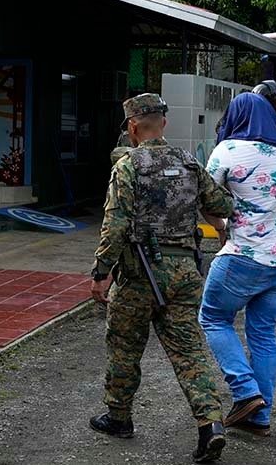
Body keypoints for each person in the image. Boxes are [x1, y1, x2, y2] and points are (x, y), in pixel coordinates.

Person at [89, 93, 233, 464]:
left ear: (133, 127)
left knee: (124, 347)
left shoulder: (128, 166)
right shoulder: (189, 163)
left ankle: (119, 418)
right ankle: (211, 425)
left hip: (139, 275)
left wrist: (101, 272)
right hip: (184, 272)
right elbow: (220, 205)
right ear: (163, 124)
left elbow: (115, 225)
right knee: (189, 351)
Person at [198, 93, 276, 438]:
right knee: (262, 333)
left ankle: (245, 392)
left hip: (245, 256)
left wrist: (220, 226)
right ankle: (260, 417)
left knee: (213, 317)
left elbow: (205, 197)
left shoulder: (228, 150)